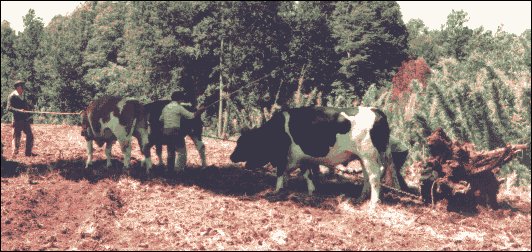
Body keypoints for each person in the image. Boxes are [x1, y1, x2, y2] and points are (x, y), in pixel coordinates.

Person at [159, 91, 204, 172]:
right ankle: (178, 170)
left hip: (166, 131)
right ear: (179, 99)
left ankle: (169, 170)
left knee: (170, 152)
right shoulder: (179, 107)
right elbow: (191, 116)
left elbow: (161, 119)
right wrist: (199, 111)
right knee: (182, 152)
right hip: (176, 131)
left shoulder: (166, 107)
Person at [7, 80, 36, 157]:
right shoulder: (12, 96)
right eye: (21, 85)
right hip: (16, 119)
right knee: (16, 137)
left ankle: (28, 153)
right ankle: (14, 153)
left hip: (25, 119)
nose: (23, 87)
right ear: (17, 87)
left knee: (30, 135)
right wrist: (19, 111)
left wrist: (29, 111)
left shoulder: (23, 94)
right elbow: (9, 108)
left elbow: (25, 105)